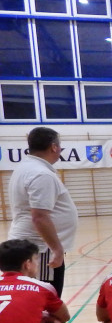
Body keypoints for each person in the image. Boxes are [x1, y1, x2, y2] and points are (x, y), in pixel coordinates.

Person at [7, 126, 79, 296]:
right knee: (46, 301)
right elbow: (39, 216)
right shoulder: (41, 174)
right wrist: (57, 249)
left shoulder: (26, 167)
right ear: (54, 147)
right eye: (59, 146)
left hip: (33, 245)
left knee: (30, 299)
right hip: (41, 249)